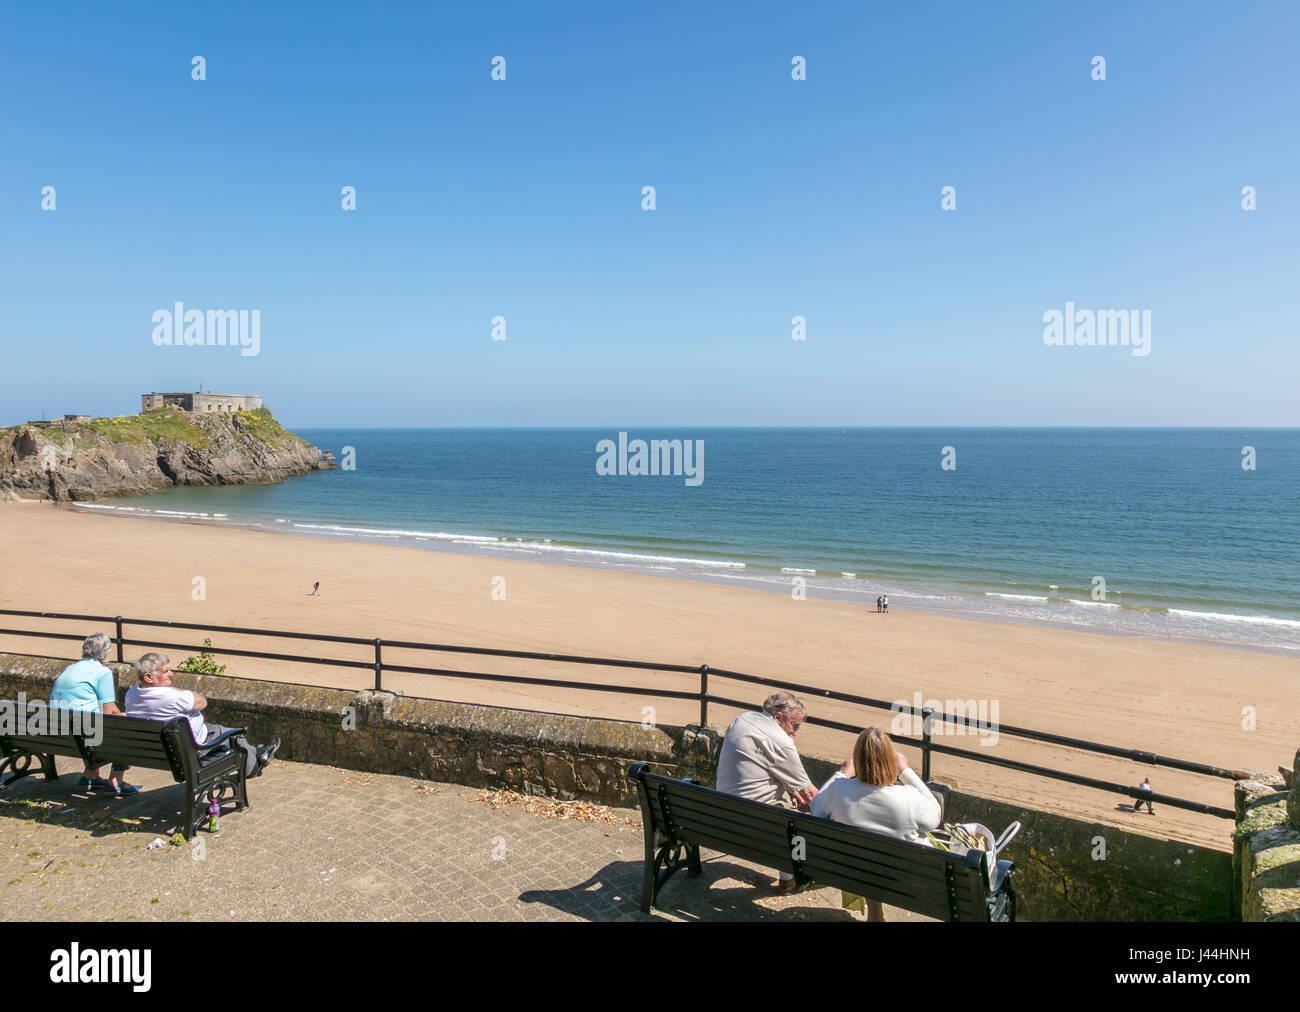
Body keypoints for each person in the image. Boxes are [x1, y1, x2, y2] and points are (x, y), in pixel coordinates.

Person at [811, 727, 941, 922]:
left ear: (858, 760)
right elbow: (934, 818)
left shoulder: (839, 790)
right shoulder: (908, 797)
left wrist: (842, 773)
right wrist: (905, 771)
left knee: (868, 856)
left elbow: (816, 808)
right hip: (905, 880)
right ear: (890, 762)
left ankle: (874, 911)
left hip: (852, 871)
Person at [716, 691, 817, 894]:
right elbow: (811, 795)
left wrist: (790, 788)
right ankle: (791, 878)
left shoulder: (741, 720)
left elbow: (758, 765)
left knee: (783, 813)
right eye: (794, 726)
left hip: (722, 819)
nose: (795, 733)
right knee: (800, 826)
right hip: (758, 828)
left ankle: (789, 877)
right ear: (778, 717)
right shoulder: (781, 741)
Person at [124, 653, 280, 778]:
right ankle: (255, 766)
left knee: (218, 730)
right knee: (236, 736)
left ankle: (258, 753)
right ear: (148, 677)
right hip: (191, 748)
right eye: (165, 672)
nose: (171, 674)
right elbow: (202, 702)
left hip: (158, 752)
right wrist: (176, 690)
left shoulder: (131, 694)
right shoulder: (172, 697)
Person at [49, 633, 140, 794]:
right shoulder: (102, 672)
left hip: (59, 734)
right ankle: (116, 781)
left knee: (85, 722)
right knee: (124, 730)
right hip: (84, 734)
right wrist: (126, 717)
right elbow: (109, 711)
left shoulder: (70, 668)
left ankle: (90, 776)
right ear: (105, 651)